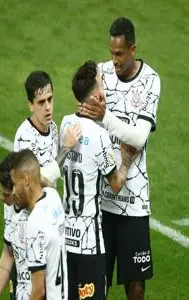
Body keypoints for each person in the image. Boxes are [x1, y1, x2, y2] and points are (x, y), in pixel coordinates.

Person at [80, 17, 161, 300]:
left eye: (119, 54)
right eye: (111, 52)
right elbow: (83, 113)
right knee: (95, 280)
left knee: (135, 284)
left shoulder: (150, 81)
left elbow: (138, 138)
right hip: (101, 199)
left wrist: (105, 117)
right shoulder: (101, 74)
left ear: (133, 49)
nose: (113, 60)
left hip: (134, 201)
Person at [60, 60, 137, 300]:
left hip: (64, 239)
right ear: (94, 97)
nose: (105, 91)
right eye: (101, 86)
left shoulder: (64, 124)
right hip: (88, 243)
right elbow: (115, 183)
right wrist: (125, 160)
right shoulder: (100, 136)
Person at [9, 70, 81, 297]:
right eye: (41, 102)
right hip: (27, 229)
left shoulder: (53, 130)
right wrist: (66, 149)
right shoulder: (24, 137)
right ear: (31, 105)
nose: (48, 107)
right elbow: (40, 180)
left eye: (50, 99)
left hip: (48, 226)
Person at [11, 149, 68, 300]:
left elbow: (38, 292)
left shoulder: (35, 222)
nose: (13, 192)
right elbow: (44, 183)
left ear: (26, 181)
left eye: (15, 184)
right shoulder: (53, 196)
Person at [0, 152, 32, 300]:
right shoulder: (12, 207)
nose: (1, 198)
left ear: (17, 189)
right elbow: (8, 253)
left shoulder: (43, 215)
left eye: (6, 194)